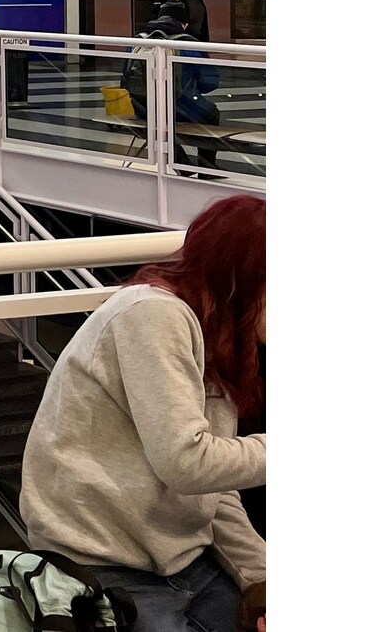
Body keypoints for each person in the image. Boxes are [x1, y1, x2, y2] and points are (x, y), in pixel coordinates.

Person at [20, 194, 265, 632]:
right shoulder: (152, 315)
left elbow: (215, 486)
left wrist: (262, 580)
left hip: (183, 558)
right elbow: (187, 462)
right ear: (244, 278)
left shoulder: (221, 336)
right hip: (96, 562)